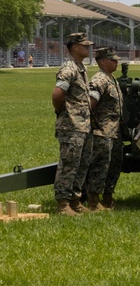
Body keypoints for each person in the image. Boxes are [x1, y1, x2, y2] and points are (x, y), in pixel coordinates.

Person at [51, 32, 94, 215]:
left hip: (83, 126)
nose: (88, 48)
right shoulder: (69, 69)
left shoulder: (80, 68)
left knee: (81, 164)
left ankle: (75, 201)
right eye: (85, 45)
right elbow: (57, 95)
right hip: (71, 126)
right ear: (74, 47)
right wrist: (64, 112)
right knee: (69, 164)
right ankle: (63, 203)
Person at [85, 46, 124, 211]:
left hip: (114, 131)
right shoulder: (100, 79)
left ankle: (107, 198)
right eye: (112, 59)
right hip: (102, 132)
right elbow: (90, 105)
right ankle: (93, 202)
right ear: (102, 62)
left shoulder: (111, 78)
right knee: (100, 166)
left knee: (114, 165)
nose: (116, 62)